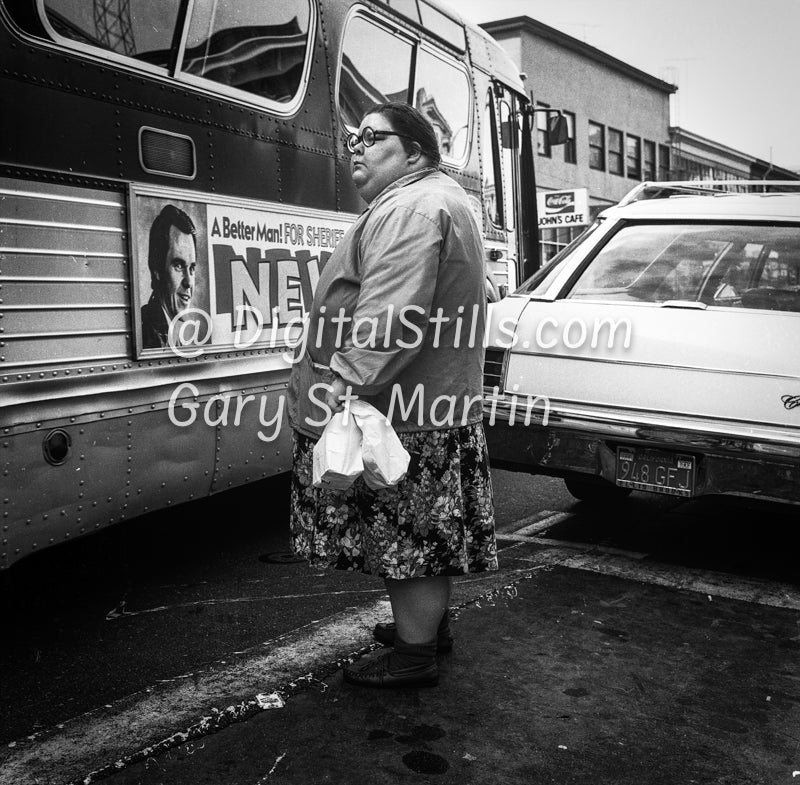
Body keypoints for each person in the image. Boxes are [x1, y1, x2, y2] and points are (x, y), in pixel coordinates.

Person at [288, 102, 497, 688]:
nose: (354, 146)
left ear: (415, 151)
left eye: (371, 137)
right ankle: (427, 629)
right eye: (353, 136)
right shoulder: (433, 200)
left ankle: (413, 657)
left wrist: (339, 386)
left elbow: (390, 318)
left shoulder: (413, 208)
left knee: (409, 541)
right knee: (418, 539)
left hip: (405, 412)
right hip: (425, 407)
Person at [140, 204, 197, 350]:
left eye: (192, 268)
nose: (189, 282)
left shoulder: (172, 331)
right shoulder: (147, 335)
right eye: (178, 266)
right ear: (157, 270)